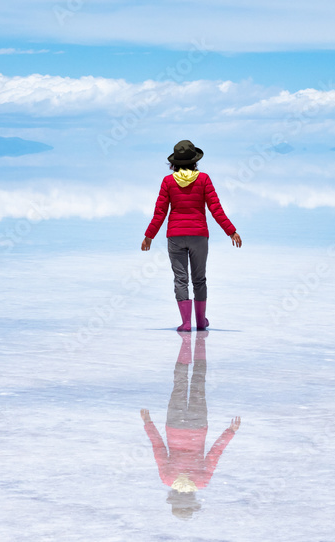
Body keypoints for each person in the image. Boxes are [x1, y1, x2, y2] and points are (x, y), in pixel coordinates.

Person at [141, 139, 241, 331]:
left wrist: (149, 236)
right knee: (199, 279)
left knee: (181, 279)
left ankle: (186, 323)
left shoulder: (168, 182)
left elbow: (160, 213)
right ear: (195, 161)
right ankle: (201, 322)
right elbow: (215, 209)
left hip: (176, 237)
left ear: (174, 163)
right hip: (199, 237)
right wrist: (231, 231)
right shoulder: (203, 179)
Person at [141, 331, 240, 519]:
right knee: (179, 383)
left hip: (197, 424)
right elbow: (158, 448)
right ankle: (186, 341)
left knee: (198, 382)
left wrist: (230, 432)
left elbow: (214, 454)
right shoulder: (167, 479)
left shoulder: (201, 482)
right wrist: (148, 424)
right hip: (175, 424)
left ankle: (200, 341)